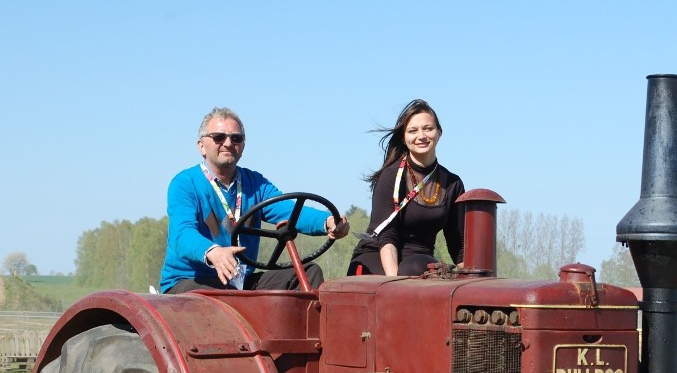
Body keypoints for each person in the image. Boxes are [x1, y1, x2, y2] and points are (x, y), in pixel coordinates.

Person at [160, 107, 349, 294]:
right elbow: (182, 234)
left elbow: (290, 211)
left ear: (243, 145)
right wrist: (214, 252)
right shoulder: (185, 183)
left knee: (308, 273)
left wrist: (328, 221)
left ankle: (300, 325)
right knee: (222, 297)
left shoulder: (255, 184)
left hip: (238, 282)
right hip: (191, 280)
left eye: (236, 138)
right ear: (201, 145)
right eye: (219, 137)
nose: (228, 143)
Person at [347, 99, 465, 276]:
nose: (421, 136)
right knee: (413, 268)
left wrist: (475, 283)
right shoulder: (390, 177)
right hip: (380, 255)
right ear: (404, 137)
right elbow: (387, 236)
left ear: (439, 133)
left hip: (421, 259)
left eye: (428, 128)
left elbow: (458, 244)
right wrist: (394, 285)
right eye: (413, 131)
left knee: (427, 268)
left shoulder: (453, 184)